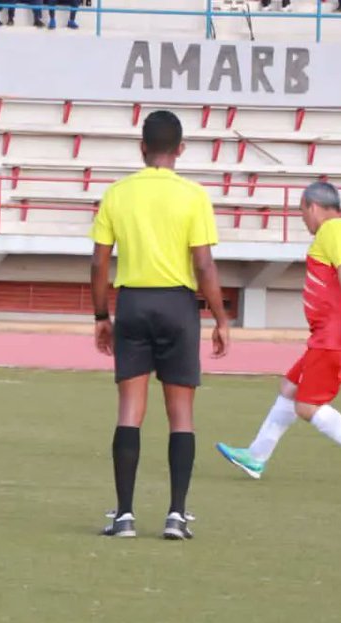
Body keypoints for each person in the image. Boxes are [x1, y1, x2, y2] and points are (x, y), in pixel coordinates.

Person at [90, 110, 230, 541]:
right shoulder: (194, 196)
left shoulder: (117, 193)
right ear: (181, 149)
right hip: (177, 304)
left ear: (142, 148)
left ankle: (126, 516)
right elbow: (203, 263)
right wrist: (221, 317)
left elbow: (98, 262)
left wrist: (101, 315)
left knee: (130, 412)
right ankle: (176, 515)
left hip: (133, 302)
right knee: (180, 415)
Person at [215, 182, 341, 486]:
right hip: (334, 338)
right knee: (289, 388)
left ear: (312, 206)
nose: (303, 219)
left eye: (301, 212)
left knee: (307, 406)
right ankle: (256, 457)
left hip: (334, 338)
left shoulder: (333, 231)